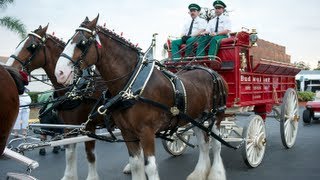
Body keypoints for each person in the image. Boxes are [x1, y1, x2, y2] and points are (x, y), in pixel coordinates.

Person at [37, 91, 64, 155]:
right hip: (56, 114)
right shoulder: (60, 93)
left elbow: (39, 101)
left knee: (43, 132)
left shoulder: (45, 93)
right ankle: (56, 146)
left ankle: (42, 148)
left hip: (45, 114)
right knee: (56, 131)